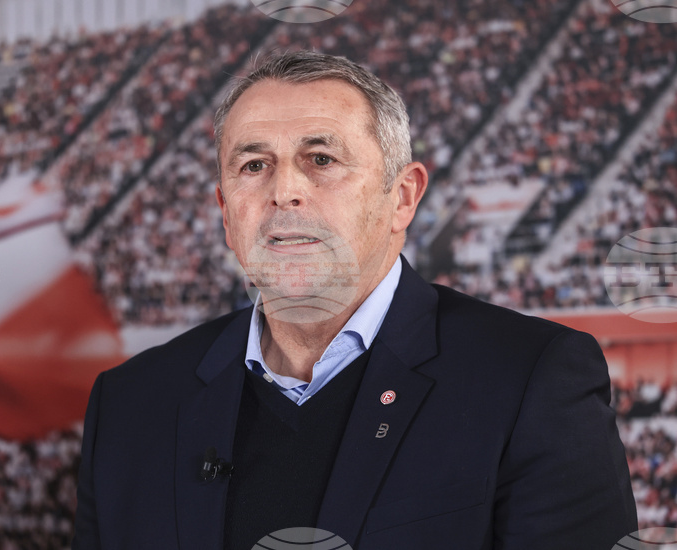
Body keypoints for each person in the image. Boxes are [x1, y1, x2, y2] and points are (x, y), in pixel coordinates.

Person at [72, 51, 637, 550]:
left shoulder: (529, 381)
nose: (284, 191)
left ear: (403, 197)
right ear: (226, 212)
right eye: (253, 165)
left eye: (321, 159)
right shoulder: (130, 406)